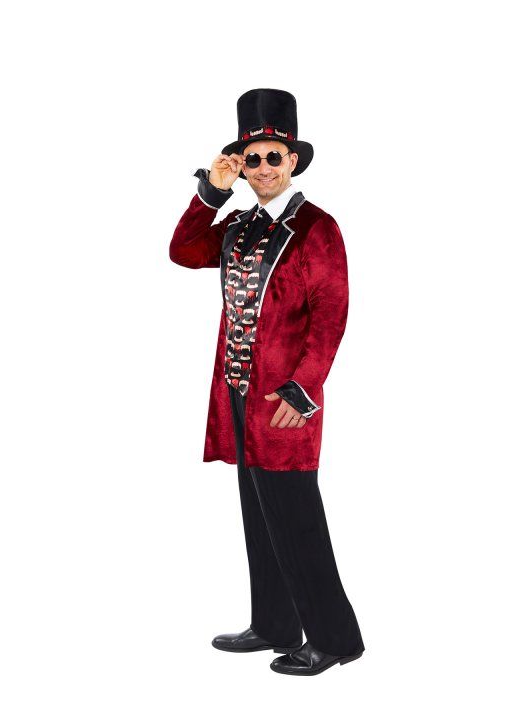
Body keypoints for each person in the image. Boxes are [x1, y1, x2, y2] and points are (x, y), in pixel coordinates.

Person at [169, 88, 364, 676]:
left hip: (285, 401)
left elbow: (331, 316)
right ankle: (275, 623)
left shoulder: (317, 228)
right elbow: (183, 251)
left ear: (293, 161)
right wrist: (212, 193)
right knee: (260, 516)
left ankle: (335, 638)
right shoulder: (237, 225)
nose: (261, 169)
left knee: (297, 519)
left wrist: (304, 391)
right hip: (238, 394)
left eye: (273, 158)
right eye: (250, 160)